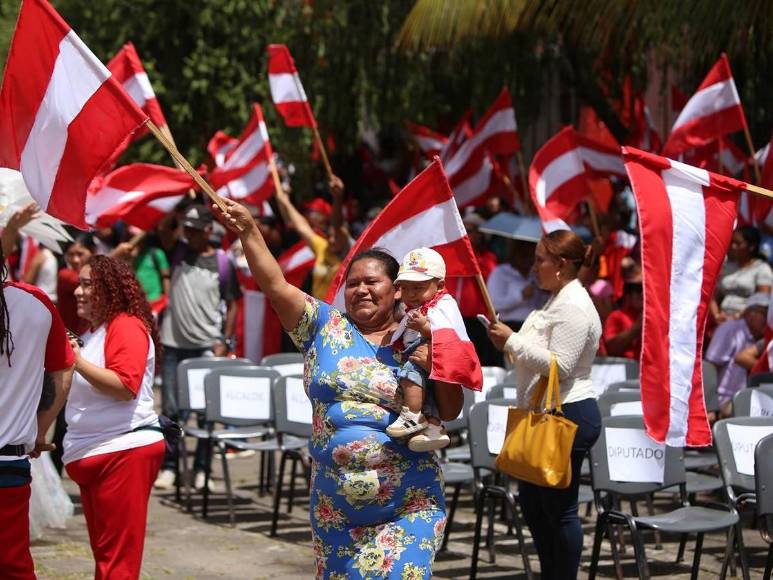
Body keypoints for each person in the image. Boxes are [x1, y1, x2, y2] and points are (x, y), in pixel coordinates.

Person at [215, 197, 462, 579]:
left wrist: (438, 361)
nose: (360, 290)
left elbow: (449, 410)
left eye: (372, 282)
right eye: (353, 284)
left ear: (397, 289)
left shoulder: (422, 333)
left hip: (407, 503)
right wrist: (249, 231)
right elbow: (276, 286)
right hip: (336, 507)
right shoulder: (323, 326)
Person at [487, 229, 602, 580]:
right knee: (535, 508)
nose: (533, 267)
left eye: (540, 260)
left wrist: (514, 341)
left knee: (559, 510)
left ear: (562, 265)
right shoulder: (557, 299)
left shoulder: (574, 305)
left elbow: (561, 366)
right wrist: (508, 344)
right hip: (545, 411)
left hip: (566, 411)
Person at [63, 255, 165, 579]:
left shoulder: (125, 325)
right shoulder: (96, 331)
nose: (78, 292)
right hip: (99, 453)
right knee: (107, 562)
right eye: (78, 284)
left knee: (117, 565)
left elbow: (125, 385)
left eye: (87, 284)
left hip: (122, 453)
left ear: (109, 289)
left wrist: (77, 361)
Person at [154, 204, 241, 490]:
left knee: (206, 412)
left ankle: (202, 469)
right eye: (186, 229)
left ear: (207, 230)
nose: (188, 235)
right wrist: (176, 202)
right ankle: (170, 467)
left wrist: (224, 340)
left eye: (194, 229)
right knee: (171, 410)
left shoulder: (223, 262)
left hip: (206, 347)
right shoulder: (176, 251)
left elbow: (232, 304)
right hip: (173, 345)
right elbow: (163, 228)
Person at [0, 247, 74, 579]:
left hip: (10, 464)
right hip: (10, 462)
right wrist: (38, 429)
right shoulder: (35, 302)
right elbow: (63, 370)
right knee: (13, 567)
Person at [386, 248, 482, 451]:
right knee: (425, 393)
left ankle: (412, 414)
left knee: (409, 375)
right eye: (406, 288)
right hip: (419, 351)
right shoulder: (414, 308)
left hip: (426, 352)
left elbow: (448, 334)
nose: (411, 294)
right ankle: (434, 427)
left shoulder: (443, 305)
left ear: (439, 286)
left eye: (418, 288)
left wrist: (425, 330)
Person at [274, 175, 353, 299]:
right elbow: (302, 226)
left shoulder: (351, 252)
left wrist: (338, 198)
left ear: (345, 236)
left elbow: (338, 224)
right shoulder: (323, 246)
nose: (331, 240)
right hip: (319, 313)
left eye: (336, 236)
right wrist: (286, 202)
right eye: (329, 236)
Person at [705, 292, 769, 418]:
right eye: (764, 313)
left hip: (749, 402)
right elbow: (710, 367)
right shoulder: (730, 329)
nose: (768, 319)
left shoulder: (760, 338)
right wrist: (709, 405)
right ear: (750, 313)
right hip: (722, 401)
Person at [712, 226, 772, 322]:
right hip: (722, 320)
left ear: (751, 246)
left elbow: (762, 301)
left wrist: (737, 316)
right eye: (732, 243)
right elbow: (714, 296)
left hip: (747, 323)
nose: (733, 247)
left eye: (738, 243)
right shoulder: (728, 267)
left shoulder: (762, 269)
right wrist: (716, 315)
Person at [602, 280, 643, 359]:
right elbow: (611, 349)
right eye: (638, 290)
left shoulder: (655, 317)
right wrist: (636, 327)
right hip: (627, 368)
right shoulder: (616, 316)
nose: (642, 294)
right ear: (629, 296)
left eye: (645, 289)